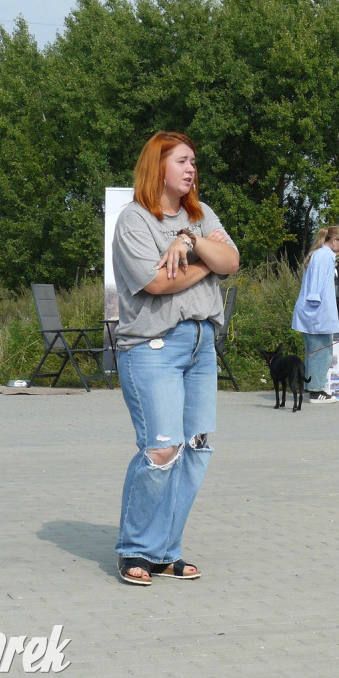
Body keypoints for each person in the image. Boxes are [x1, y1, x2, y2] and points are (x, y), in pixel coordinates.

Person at [112, 131, 240, 586]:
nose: (191, 169)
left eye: (193, 162)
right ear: (158, 166)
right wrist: (208, 260)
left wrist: (187, 239)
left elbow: (234, 259)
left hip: (202, 345)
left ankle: (166, 551)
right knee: (162, 450)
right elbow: (157, 283)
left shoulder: (199, 215)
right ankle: (135, 549)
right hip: (154, 348)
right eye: (182, 161)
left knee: (197, 449)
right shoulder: (134, 221)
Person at [291, 225, 339, 403]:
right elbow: (316, 286)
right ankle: (317, 391)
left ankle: (312, 386)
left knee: (314, 351)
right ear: (334, 240)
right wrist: (317, 307)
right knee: (321, 352)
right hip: (316, 312)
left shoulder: (319, 254)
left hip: (313, 312)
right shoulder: (323, 256)